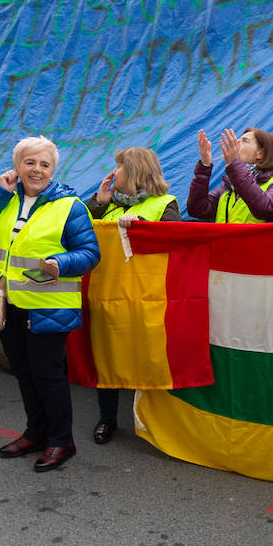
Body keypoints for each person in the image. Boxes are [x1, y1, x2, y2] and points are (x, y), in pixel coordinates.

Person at [0, 137, 100, 472]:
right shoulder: (5, 199)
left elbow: (90, 254)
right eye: (30, 162)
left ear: (53, 170)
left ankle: (61, 441)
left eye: (44, 164)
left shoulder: (70, 206)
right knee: (24, 373)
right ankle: (35, 433)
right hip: (7, 303)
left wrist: (61, 262)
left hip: (47, 308)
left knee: (48, 376)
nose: (37, 170)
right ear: (17, 166)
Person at [85, 146, 181, 444]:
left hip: (148, 296)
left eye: (120, 167)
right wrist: (97, 205)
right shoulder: (110, 204)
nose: (114, 172)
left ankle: (153, 420)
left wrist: (146, 231)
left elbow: (174, 247)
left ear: (136, 170)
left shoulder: (166, 204)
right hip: (108, 294)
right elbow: (78, 233)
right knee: (108, 356)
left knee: (150, 357)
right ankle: (107, 418)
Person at [187, 127, 273, 222]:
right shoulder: (229, 186)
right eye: (239, 139)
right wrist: (204, 166)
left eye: (245, 141)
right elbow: (197, 209)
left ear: (260, 153)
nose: (236, 142)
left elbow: (264, 208)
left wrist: (234, 164)